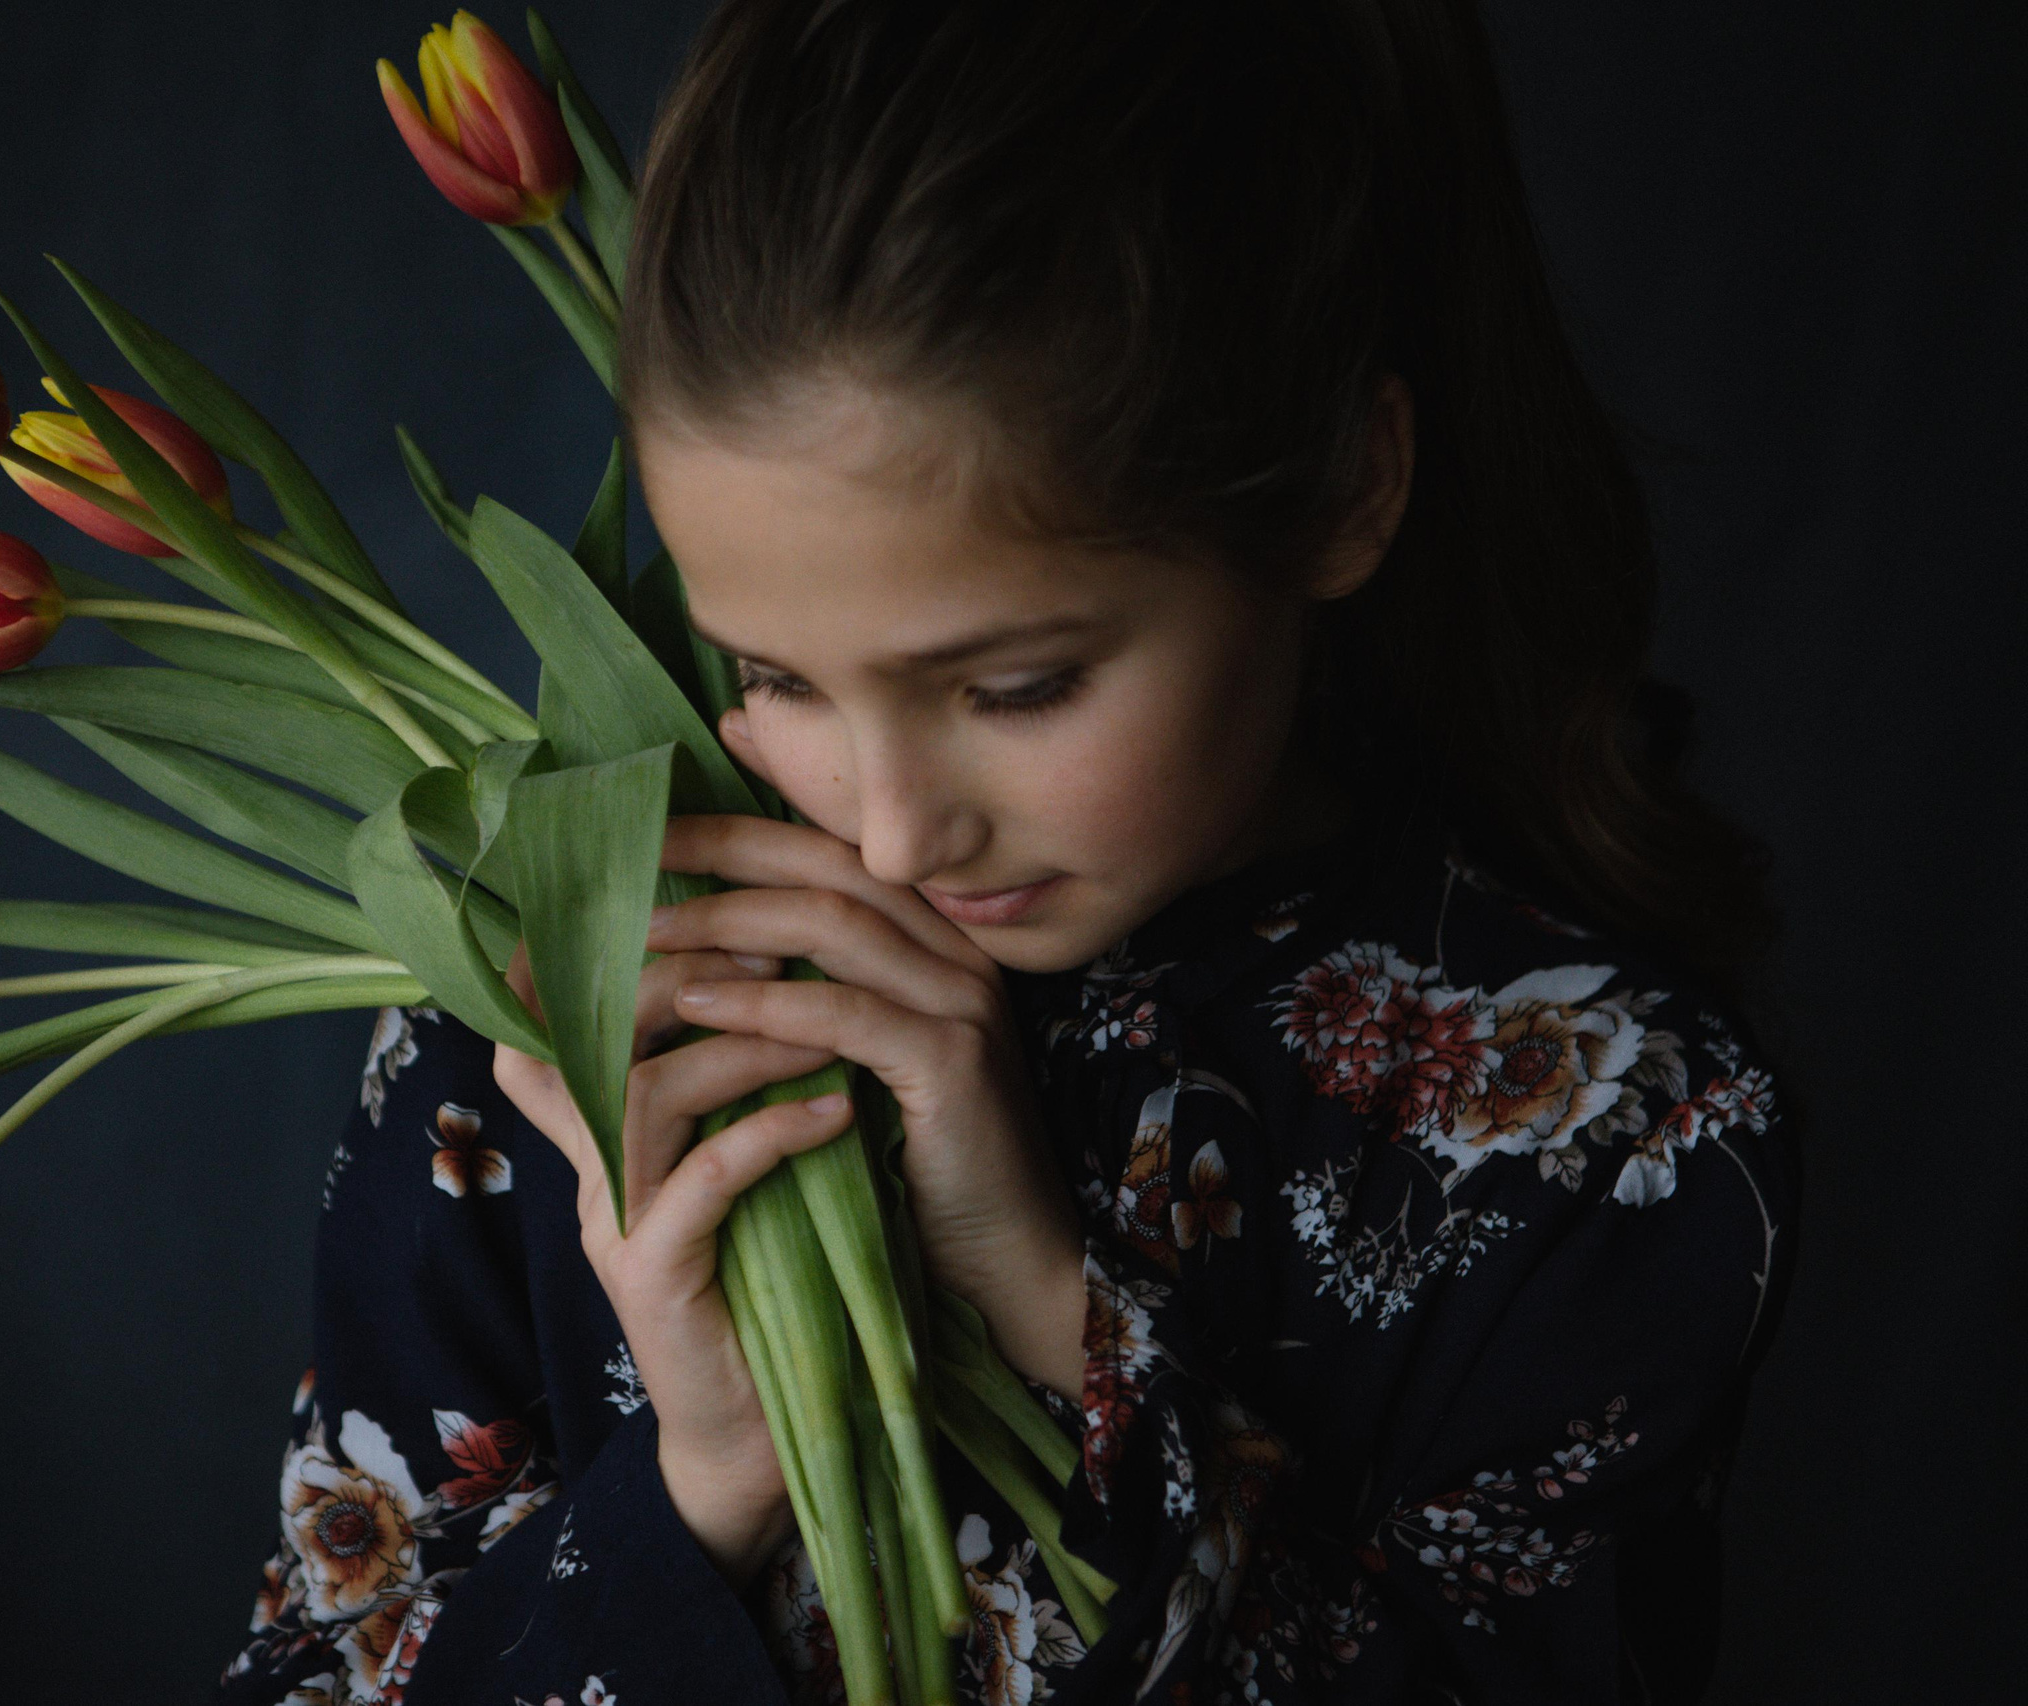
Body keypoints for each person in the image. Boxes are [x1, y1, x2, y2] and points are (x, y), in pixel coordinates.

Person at [218, 1, 1795, 1701]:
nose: (893, 830)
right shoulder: (559, 1022)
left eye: (1016, 685)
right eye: (774, 677)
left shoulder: (1598, 1124)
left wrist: (1063, 1320)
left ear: (1350, 484)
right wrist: (699, 1487)